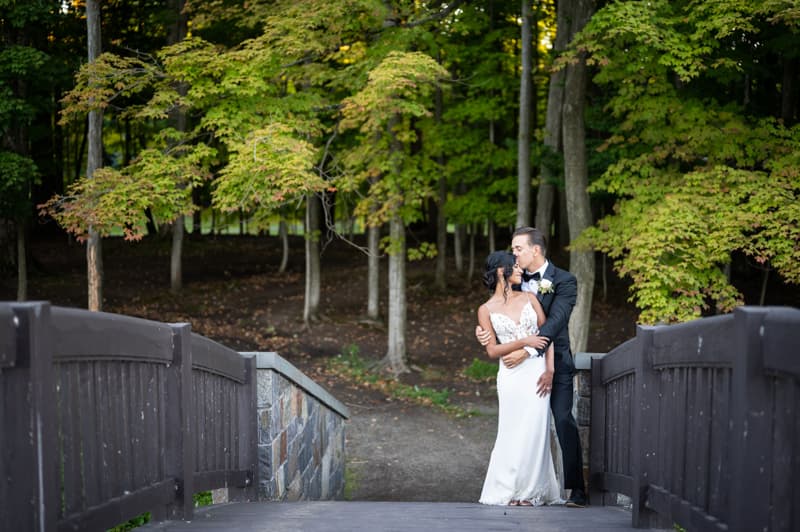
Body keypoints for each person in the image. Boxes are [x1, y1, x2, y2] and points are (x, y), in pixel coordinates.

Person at [475, 227, 587, 508]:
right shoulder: (517, 281)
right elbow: (495, 318)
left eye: (517, 249)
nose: (514, 254)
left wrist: (526, 349)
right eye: (511, 251)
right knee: (519, 427)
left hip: (553, 364)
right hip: (516, 372)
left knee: (562, 419)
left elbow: (554, 322)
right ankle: (516, 487)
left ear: (534, 250)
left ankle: (577, 490)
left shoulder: (564, 281)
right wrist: (483, 333)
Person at [477, 250, 562, 507]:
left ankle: (530, 492)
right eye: (514, 267)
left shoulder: (530, 298)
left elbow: (547, 337)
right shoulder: (485, 309)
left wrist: (550, 370)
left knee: (535, 431)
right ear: (501, 272)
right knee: (511, 431)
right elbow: (492, 350)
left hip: (536, 372)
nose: (520, 270)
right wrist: (524, 340)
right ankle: (509, 489)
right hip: (510, 377)